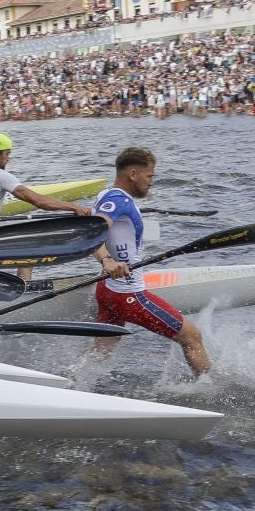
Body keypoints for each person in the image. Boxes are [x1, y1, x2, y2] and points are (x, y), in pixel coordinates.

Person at [91, 147, 210, 375]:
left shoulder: (106, 196)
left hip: (106, 287)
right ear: (133, 174)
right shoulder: (118, 201)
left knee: (102, 348)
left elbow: (93, 229)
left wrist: (107, 263)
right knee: (192, 337)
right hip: (126, 294)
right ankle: (216, 392)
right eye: (150, 176)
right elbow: (91, 234)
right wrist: (107, 261)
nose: (152, 182)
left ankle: (74, 383)